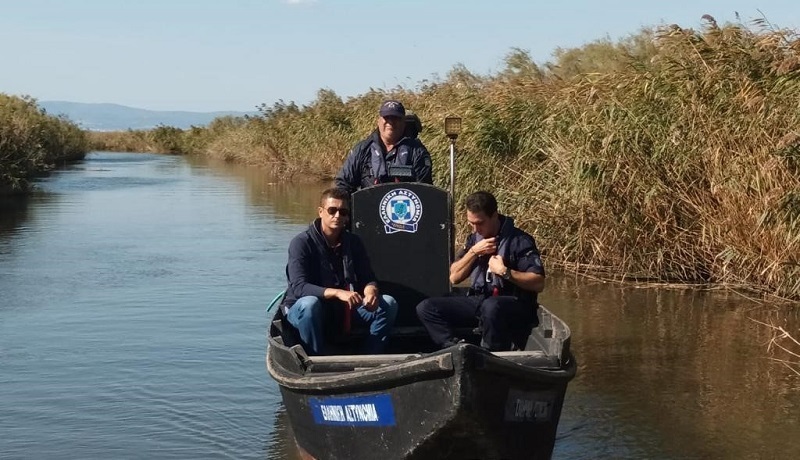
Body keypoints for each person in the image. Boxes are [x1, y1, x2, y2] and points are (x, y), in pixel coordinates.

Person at [416, 191, 545, 351]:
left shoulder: (520, 241)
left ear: (494, 216)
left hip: (513, 303)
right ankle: (455, 348)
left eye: (480, 223)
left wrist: (505, 272)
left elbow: (538, 283)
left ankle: (491, 353)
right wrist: (473, 252)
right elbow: (454, 277)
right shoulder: (474, 240)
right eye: (471, 224)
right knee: (426, 307)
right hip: (480, 300)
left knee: (491, 306)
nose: (476, 229)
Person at [281, 188, 399, 355]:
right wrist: (337, 293)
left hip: (344, 308)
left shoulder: (353, 241)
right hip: (304, 309)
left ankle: (369, 359)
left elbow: (368, 277)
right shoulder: (301, 243)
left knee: (389, 303)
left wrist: (370, 290)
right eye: (332, 210)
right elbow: (299, 287)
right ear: (321, 212)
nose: (337, 216)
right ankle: (316, 360)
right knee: (310, 304)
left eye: (342, 212)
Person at [334, 100, 433, 194]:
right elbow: (343, 184)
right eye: (387, 117)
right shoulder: (362, 149)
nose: (390, 122)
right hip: (369, 208)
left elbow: (425, 190)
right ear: (379, 121)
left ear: (404, 122)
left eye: (396, 118)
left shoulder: (418, 152)